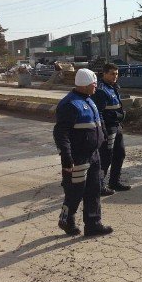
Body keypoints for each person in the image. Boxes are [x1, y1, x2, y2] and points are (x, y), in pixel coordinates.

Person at [53, 68, 113, 237]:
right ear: (85, 85)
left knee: (94, 190)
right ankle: (66, 219)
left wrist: (103, 138)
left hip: (93, 155)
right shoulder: (70, 104)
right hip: (78, 157)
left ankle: (93, 224)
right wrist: (66, 157)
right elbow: (60, 133)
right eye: (94, 84)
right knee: (75, 192)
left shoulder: (89, 99)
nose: (96, 87)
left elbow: (96, 124)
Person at [93, 63, 131, 195]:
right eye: (112, 74)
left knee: (120, 154)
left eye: (116, 74)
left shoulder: (112, 87)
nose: (115, 76)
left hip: (116, 126)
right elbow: (99, 113)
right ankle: (99, 185)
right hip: (108, 128)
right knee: (106, 157)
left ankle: (114, 182)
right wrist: (103, 130)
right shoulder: (101, 90)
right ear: (104, 74)